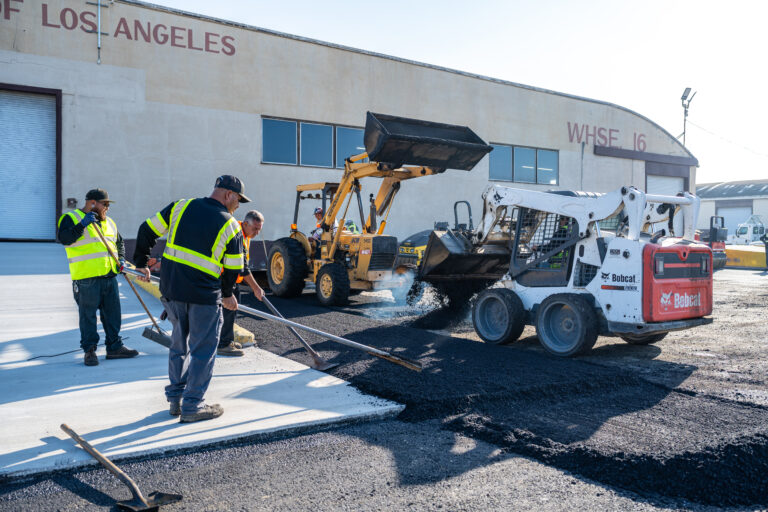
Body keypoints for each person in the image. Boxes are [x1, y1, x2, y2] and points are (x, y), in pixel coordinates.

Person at [133, 175, 248, 423]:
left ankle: (175, 399)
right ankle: (193, 405)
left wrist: (141, 262)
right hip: (203, 297)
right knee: (202, 351)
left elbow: (146, 229)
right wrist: (227, 296)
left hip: (172, 292)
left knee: (178, 345)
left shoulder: (180, 206)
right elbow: (232, 269)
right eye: (238, 200)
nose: (238, 206)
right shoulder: (231, 226)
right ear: (229, 195)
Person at [57, 188, 138, 366]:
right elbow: (64, 238)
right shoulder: (71, 218)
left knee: (113, 315)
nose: (107, 208)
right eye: (105, 204)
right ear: (93, 203)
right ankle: (90, 351)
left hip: (109, 277)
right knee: (88, 317)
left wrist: (121, 260)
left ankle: (114, 348)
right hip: (87, 278)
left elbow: (119, 243)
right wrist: (83, 225)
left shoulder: (110, 223)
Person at [217, 210, 266, 357]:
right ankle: (223, 344)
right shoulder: (237, 234)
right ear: (245, 223)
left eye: (259, 229)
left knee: (232, 312)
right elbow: (243, 268)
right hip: (223, 279)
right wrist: (256, 288)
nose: (257, 232)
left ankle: (227, 340)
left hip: (233, 280)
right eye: (255, 229)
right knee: (226, 311)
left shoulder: (246, 234)